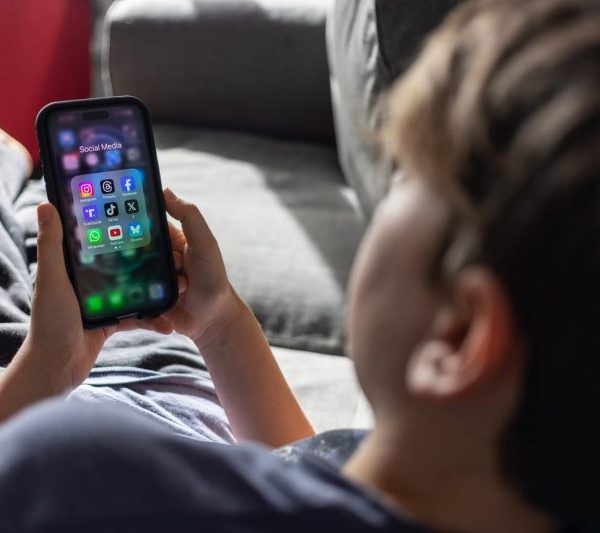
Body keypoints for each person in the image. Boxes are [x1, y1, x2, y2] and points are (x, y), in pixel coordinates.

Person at [0, 0, 598, 530]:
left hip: (59, 391)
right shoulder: (442, 485)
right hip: (172, 382)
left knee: (32, 246)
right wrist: (220, 322)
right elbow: (293, 468)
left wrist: (47, 370)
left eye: (406, 179)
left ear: (460, 334)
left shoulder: (69, 466)